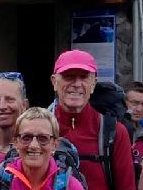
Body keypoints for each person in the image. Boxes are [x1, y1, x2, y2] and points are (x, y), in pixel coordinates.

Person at [50, 50, 135, 190]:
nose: (76, 84)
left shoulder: (115, 133)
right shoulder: (38, 129)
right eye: (68, 76)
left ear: (93, 84)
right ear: (54, 82)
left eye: (83, 77)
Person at [0, 108, 88, 190]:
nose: (34, 145)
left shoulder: (70, 186)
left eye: (43, 138)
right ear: (15, 142)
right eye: (26, 137)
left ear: (55, 145)